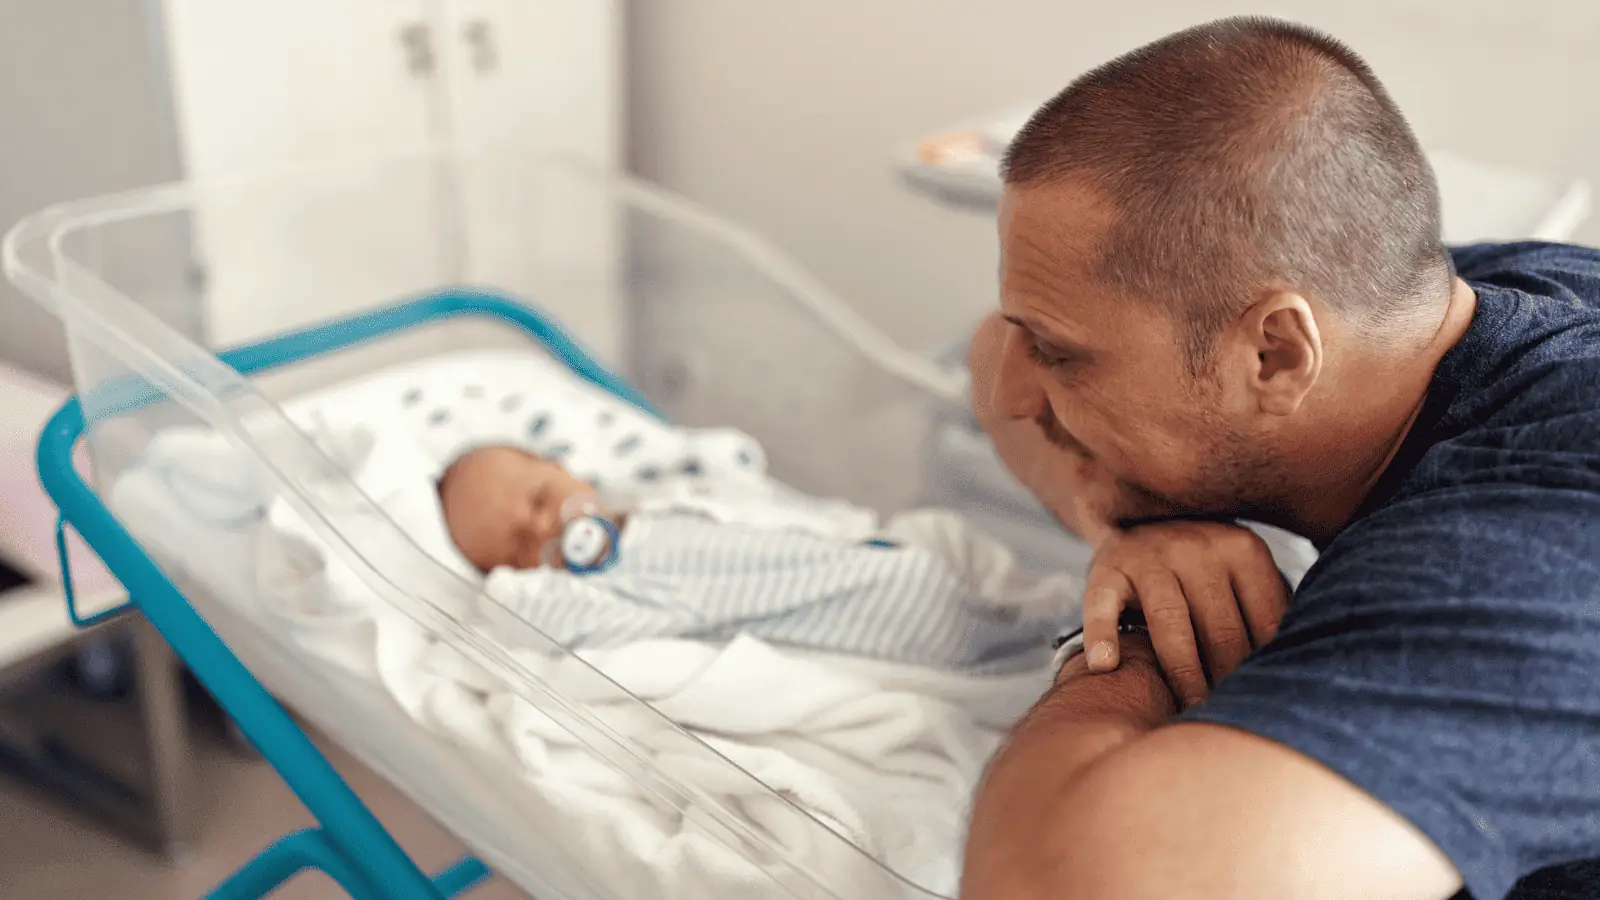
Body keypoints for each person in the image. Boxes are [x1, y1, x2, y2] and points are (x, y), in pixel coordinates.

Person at [960, 15, 1600, 900]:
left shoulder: (1530, 550)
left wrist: (1135, 643)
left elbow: (1052, 882)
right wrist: (1124, 519)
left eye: (1064, 357)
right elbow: (994, 344)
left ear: (1275, 356)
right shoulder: (1461, 298)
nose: (1020, 398)